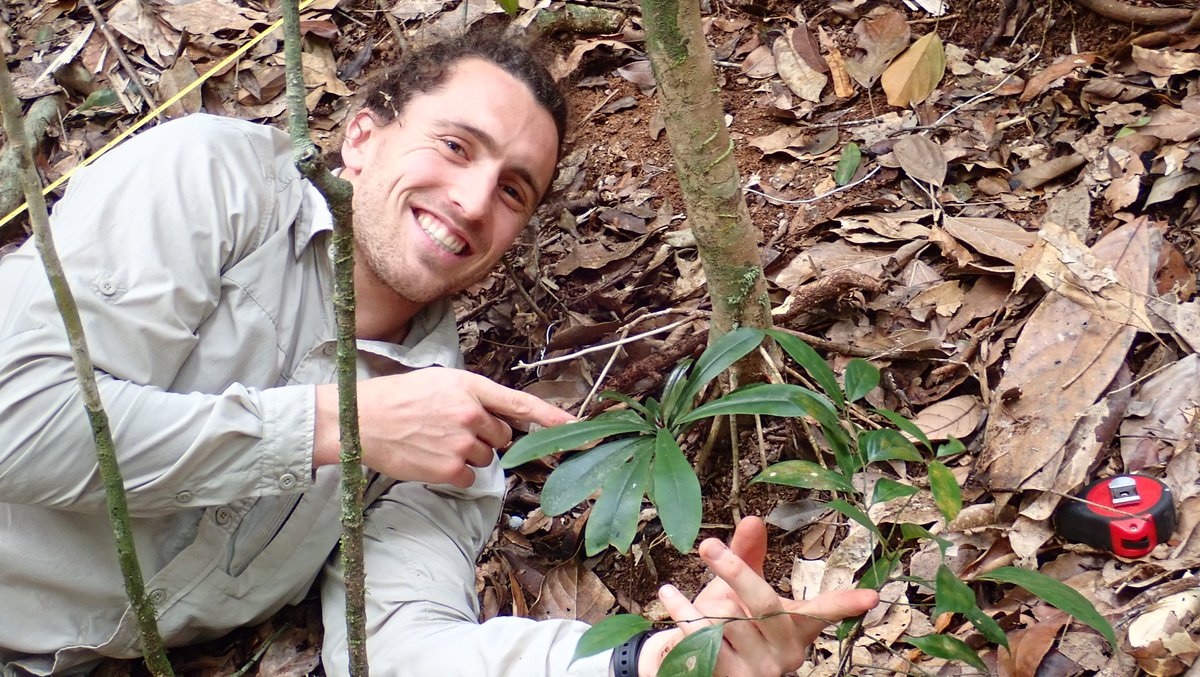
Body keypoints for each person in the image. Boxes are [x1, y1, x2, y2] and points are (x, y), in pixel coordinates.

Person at [0, 31, 877, 677]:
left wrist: (646, 662)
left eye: (512, 190)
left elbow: (400, 649)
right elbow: (16, 420)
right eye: (455, 146)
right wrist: (338, 422)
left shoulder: (449, 424)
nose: (470, 199)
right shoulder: (213, 186)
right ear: (362, 137)